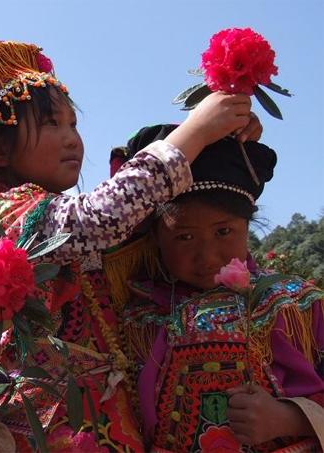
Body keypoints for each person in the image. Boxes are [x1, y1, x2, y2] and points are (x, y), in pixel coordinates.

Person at [0, 41, 260, 451]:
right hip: (48, 423)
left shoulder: (54, 213)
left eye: (73, 125)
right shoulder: (2, 213)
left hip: (101, 422)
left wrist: (218, 137)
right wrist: (197, 131)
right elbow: (102, 217)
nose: (71, 140)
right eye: (52, 125)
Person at [117, 124, 324, 452]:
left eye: (224, 231)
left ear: (248, 223)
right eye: (184, 237)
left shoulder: (296, 305)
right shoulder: (133, 317)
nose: (207, 256)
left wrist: (293, 418)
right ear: (155, 237)